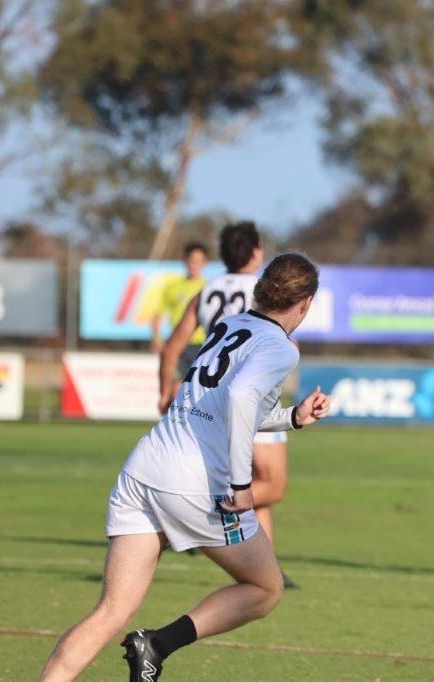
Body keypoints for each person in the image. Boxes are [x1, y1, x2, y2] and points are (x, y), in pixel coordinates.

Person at [39, 253, 330, 682]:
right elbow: (240, 399)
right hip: (195, 482)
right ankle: (158, 644)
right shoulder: (280, 348)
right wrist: (242, 485)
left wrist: (292, 418)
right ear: (304, 304)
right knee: (265, 589)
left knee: (112, 609)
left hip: (145, 468)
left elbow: (223, 407)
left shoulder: (230, 325)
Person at [159, 222, 299, 588]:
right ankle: (194, 514)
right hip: (252, 392)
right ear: (255, 252)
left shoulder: (207, 291)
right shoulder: (264, 293)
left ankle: (269, 566)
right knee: (271, 484)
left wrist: (164, 390)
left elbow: (172, 347)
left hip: (207, 394)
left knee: (252, 484)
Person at [149, 242, 208, 394]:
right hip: (178, 346)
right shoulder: (173, 287)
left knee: (199, 391)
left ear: (204, 263)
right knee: (176, 389)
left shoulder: (209, 287)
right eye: (191, 260)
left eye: (198, 261)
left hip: (203, 345)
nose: (194, 264)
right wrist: (157, 338)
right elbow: (158, 315)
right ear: (185, 261)